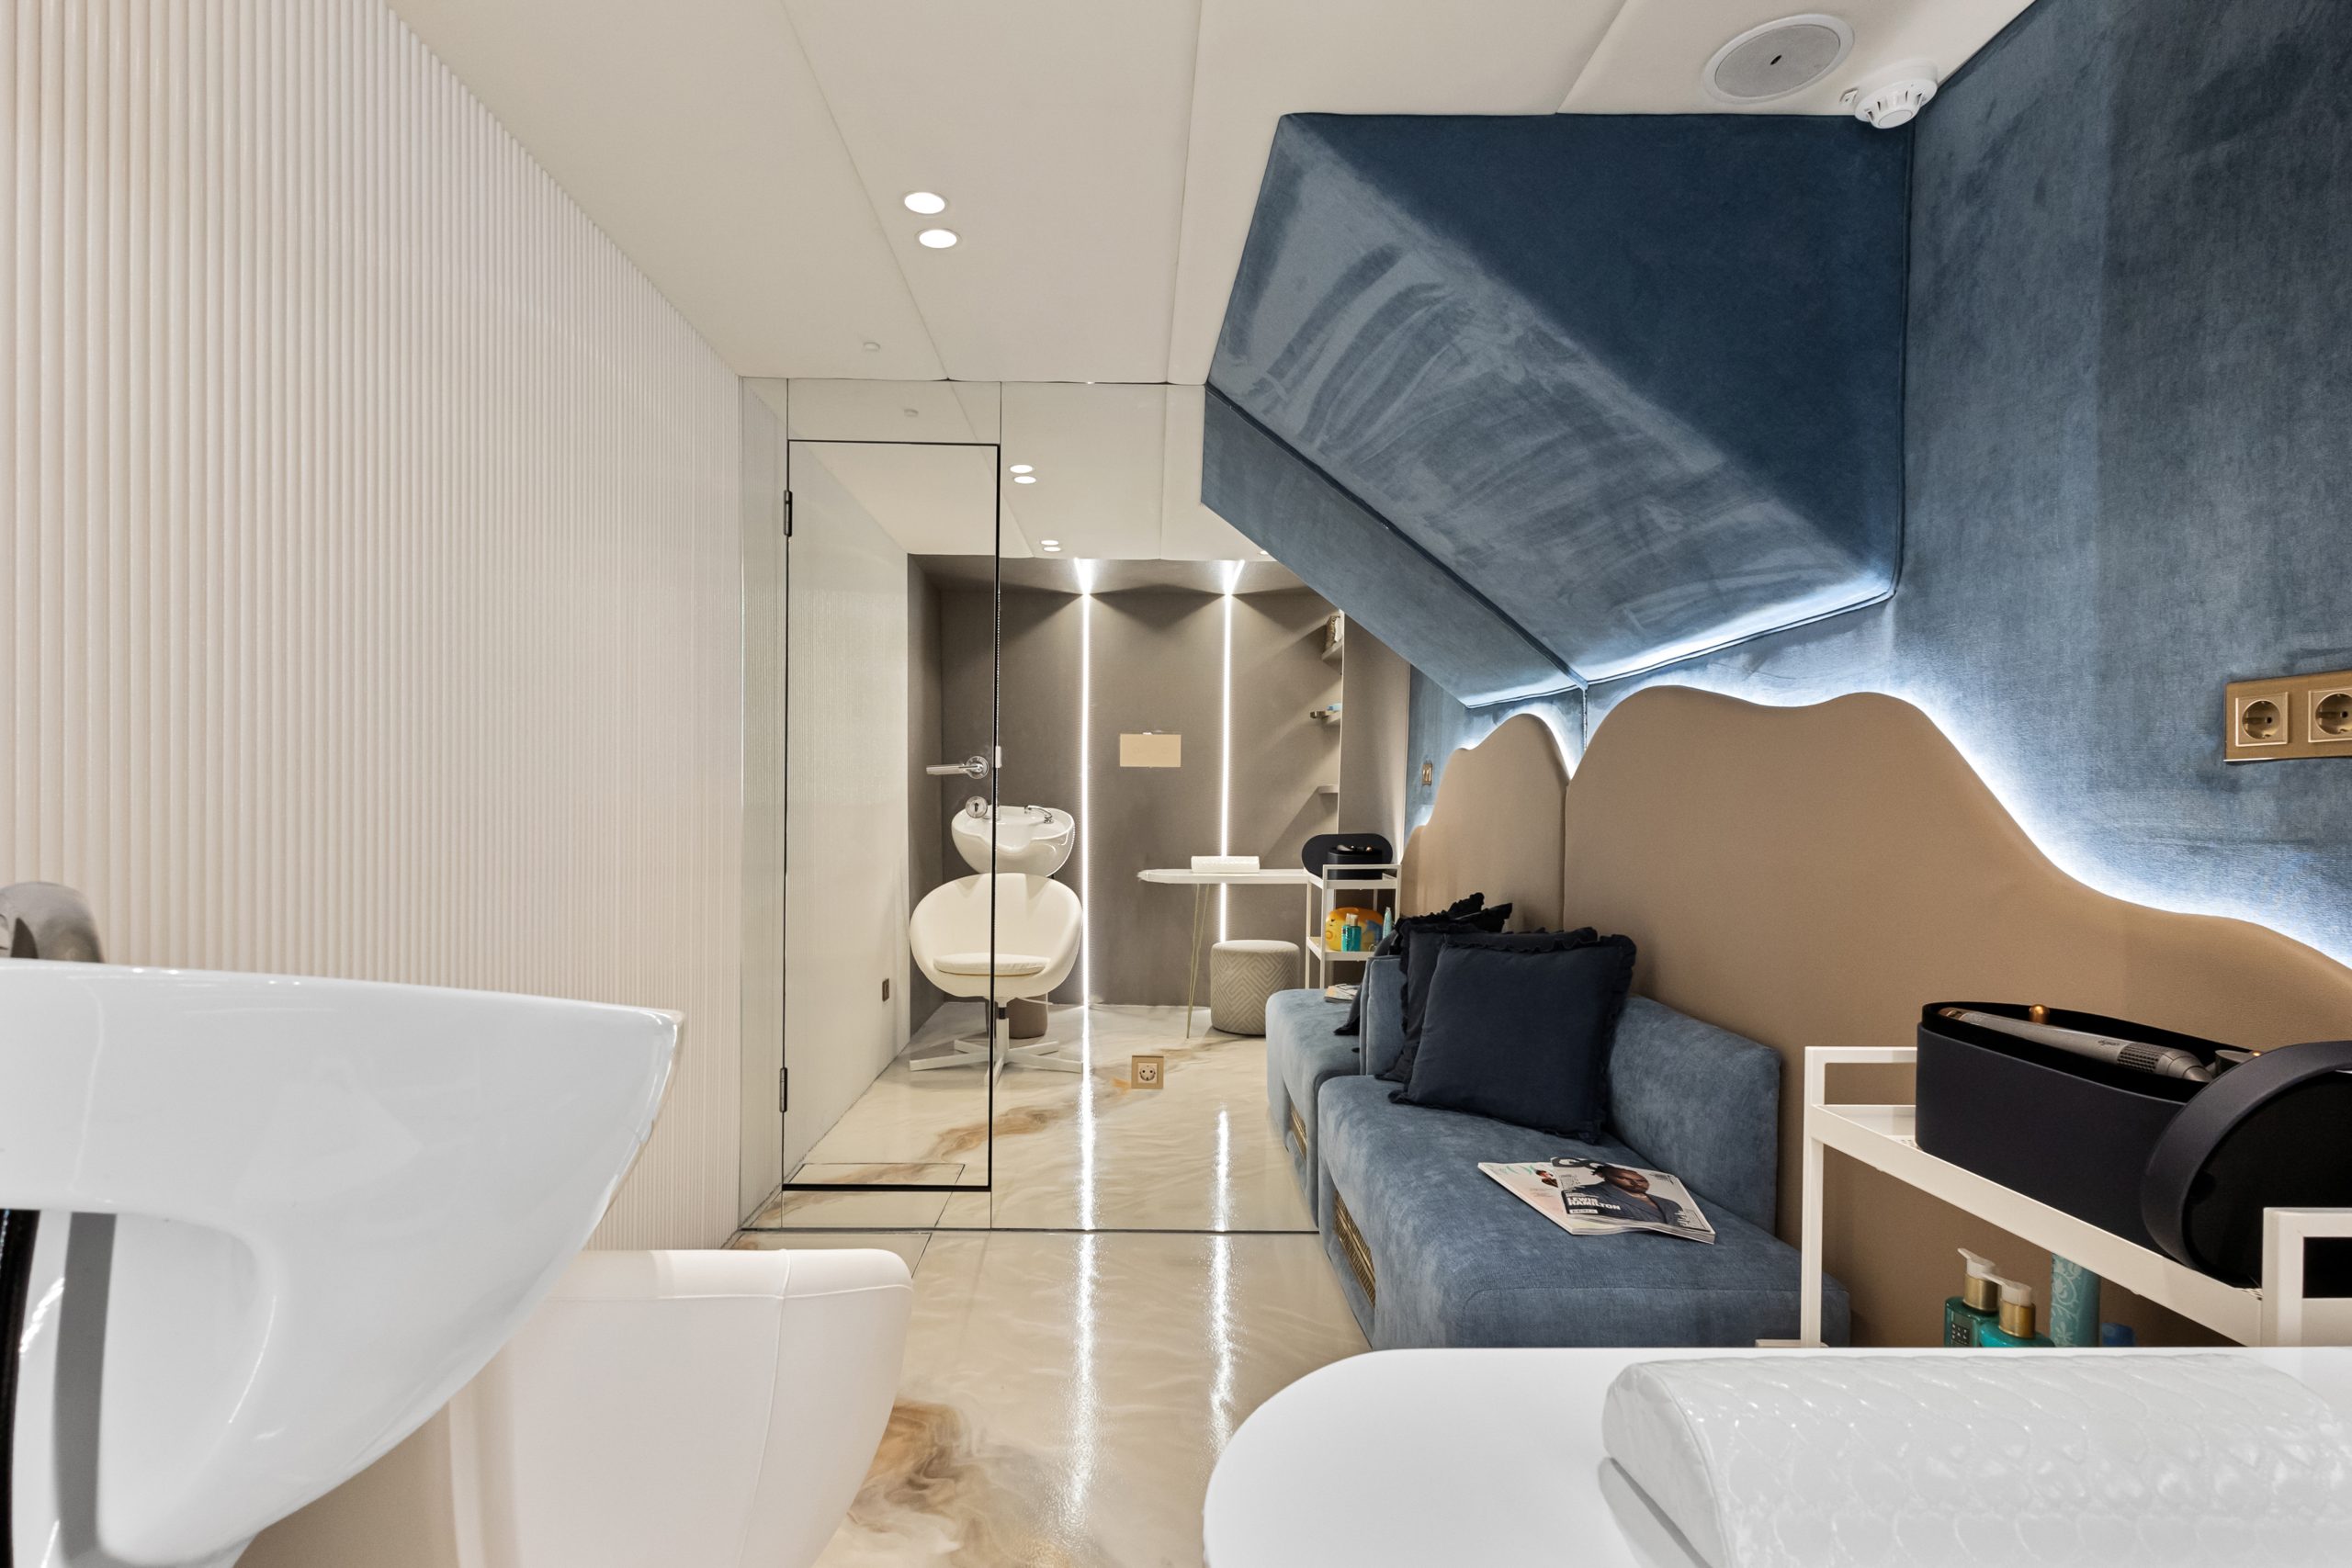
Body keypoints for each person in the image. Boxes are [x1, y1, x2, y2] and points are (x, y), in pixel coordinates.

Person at [1549, 1158, 1688, 1231]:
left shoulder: (1671, 1203)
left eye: (1641, 1180)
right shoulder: (1585, 1192)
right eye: (1624, 1178)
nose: (1636, 1183)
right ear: (1603, 1176)